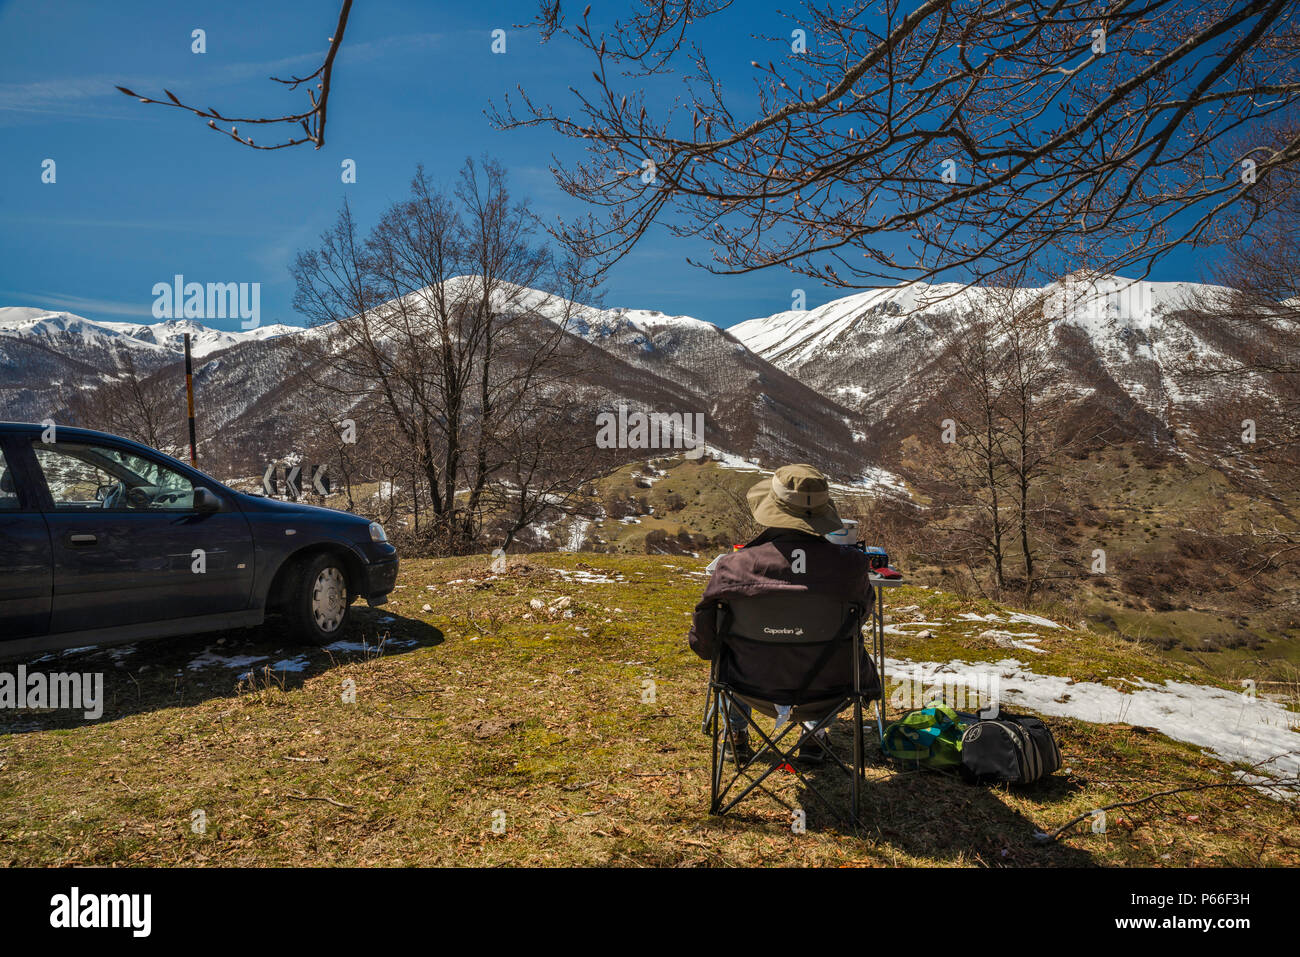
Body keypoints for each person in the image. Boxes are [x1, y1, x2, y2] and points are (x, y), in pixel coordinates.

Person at [688, 464, 881, 764]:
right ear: (823, 512)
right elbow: (860, 617)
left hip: (748, 683)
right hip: (829, 688)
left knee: (731, 653)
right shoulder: (851, 568)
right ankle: (814, 737)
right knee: (832, 652)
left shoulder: (733, 567)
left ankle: (736, 735)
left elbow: (706, 638)